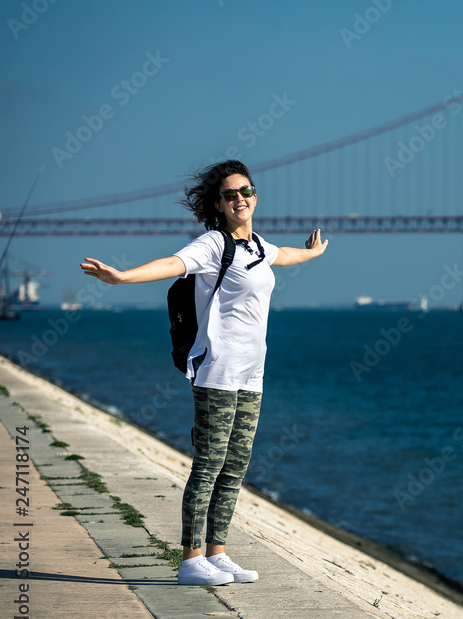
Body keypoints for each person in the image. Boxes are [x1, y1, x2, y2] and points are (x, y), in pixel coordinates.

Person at [80, 160, 327, 585]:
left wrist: (313, 253)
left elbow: (284, 256)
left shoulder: (257, 247)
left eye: (246, 191)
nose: (240, 199)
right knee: (209, 464)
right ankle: (191, 560)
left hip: (252, 373)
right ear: (218, 204)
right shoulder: (214, 244)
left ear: (255, 197)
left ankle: (218, 552)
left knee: (235, 466)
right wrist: (121, 278)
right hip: (216, 371)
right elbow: (172, 263)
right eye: (230, 194)